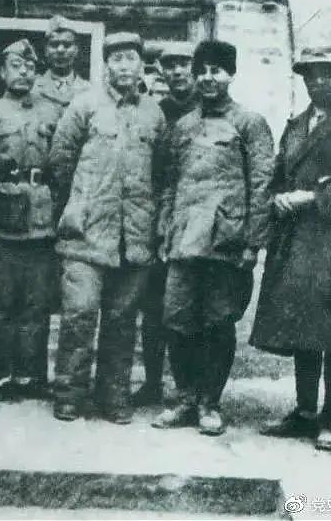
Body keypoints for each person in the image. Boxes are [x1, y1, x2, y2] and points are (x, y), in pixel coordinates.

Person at [152, 40, 274, 436]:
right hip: (184, 239)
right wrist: (164, 231)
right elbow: (170, 184)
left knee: (218, 322)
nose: (207, 78)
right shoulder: (183, 126)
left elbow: (261, 186)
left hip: (226, 241)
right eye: (201, 71)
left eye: (216, 71)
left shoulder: (249, 123)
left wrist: (253, 243)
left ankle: (210, 403)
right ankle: (185, 397)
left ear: (231, 75)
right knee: (176, 319)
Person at [50, 32, 168, 424]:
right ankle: (69, 393)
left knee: (122, 319)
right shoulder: (84, 105)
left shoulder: (154, 113)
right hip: (86, 233)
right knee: (80, 313)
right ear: (106, 65)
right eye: (116, 59)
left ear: (141, 65)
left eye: (130, 58)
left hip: (134, 236)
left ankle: (113, 396)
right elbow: (60, 162)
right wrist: (80, 205)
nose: (124, 66)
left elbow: (161, 171)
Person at [251, 43, 331, 451]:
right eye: (312, 73)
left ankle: (330, 416)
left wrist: (312, 197)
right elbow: (281, 171)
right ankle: (304, 411)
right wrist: (279, 196)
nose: (319, 81)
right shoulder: (297, 124)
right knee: (302, 326)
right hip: (296, 240)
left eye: (328, 72)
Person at [0, 39, 55, 402]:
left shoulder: (52, 112)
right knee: (2, 304)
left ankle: (31, 376)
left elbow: (61, 165)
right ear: (2, 72)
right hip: (4, 218)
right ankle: (4, 377)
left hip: (42, 221)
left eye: (30, 67)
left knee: (36, 303)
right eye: (16, 65)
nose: (24, 72)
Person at [133, 40, 197, 407]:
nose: (177, 71)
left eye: (184, 64)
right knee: (153, 306)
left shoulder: (208, 109)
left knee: (190, 307)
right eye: (169, 65)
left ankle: (192, 388)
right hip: (157, 220)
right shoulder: (156, 112)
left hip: (194, 221)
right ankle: (153, 382)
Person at [32, 15, 91, 388]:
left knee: (76, 293)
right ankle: (34, 373)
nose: (60, 50)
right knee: (39, 290)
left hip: (78, 198)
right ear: (45, 50)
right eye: (54, 44)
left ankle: (70, 374)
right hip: (40, 200)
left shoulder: (89, 92)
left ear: (77, 49)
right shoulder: (31, 88)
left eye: (67, 44)